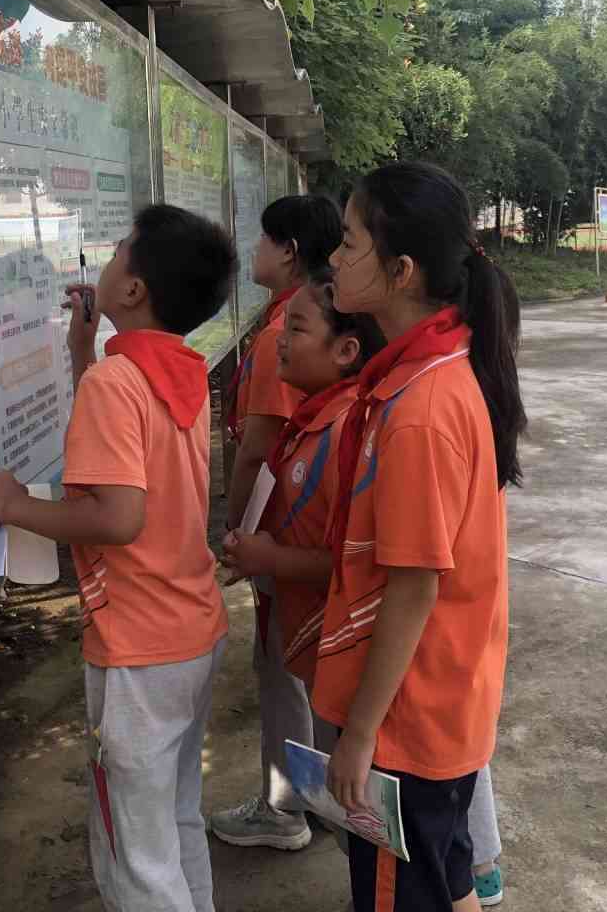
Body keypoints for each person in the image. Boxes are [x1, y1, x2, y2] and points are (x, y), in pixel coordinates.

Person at [0, 204, 235, 912]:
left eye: (117, 253)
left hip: (140, 647)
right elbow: (124, 443)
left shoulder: (118, 384)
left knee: (136, 853)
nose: (104, 263)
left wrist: (12, 505)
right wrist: (84, 352)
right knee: (174, 818)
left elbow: (117, 515)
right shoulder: (175, 369)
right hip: (191, 628)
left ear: (134, 289)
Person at [316, 161, 526, 912]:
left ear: (401, 271)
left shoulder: (421, 410)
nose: (334, 258)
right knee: (446, 879)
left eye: (349, 242)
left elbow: (412, 587)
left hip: (408, 718)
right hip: (439, 698)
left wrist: (359, 735)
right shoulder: (431, 374)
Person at [214, 194, 344, 852]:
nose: (253, 249)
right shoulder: (308, 319)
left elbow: (256, 448)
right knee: (299, 665)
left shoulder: (280, 334)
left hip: (280, 533)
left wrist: (236, 535)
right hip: (300, 528)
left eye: (263, 239)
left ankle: (287, 807)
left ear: (289, 250)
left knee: (283, 666)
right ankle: (314, 802)